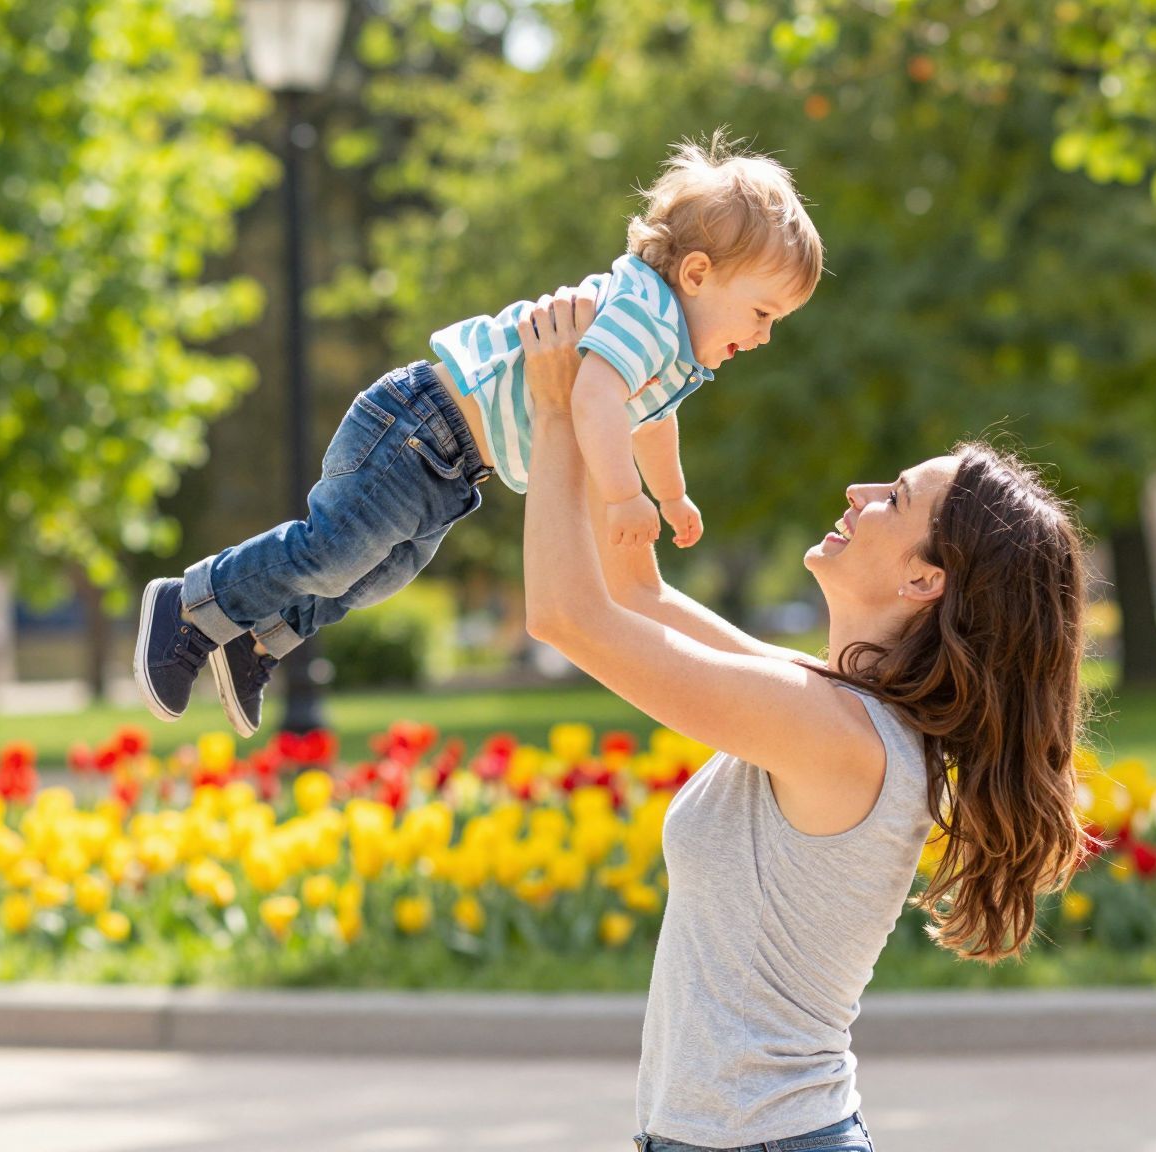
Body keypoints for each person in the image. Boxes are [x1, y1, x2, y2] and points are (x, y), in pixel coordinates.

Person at [516, 291, 1089, 1151]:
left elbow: (568, 617)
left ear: (925, 582)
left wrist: (559, 411)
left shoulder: (836, 736)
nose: (859, 492)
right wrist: (629, 388)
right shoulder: (832, 705)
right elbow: (636, 593)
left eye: (893, 499)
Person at [132, 134, 823, 736]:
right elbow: (594, 399)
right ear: (698, 274)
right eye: (762, 313)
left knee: (378, 573)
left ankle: (257, 640)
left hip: (451, 465)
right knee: (335, 551)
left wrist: (670, 498)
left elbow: (649, 418)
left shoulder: (668, 346)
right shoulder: (646, 312)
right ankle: (192, 605)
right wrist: (620, 497)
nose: (763, 336)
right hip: (417, 427)